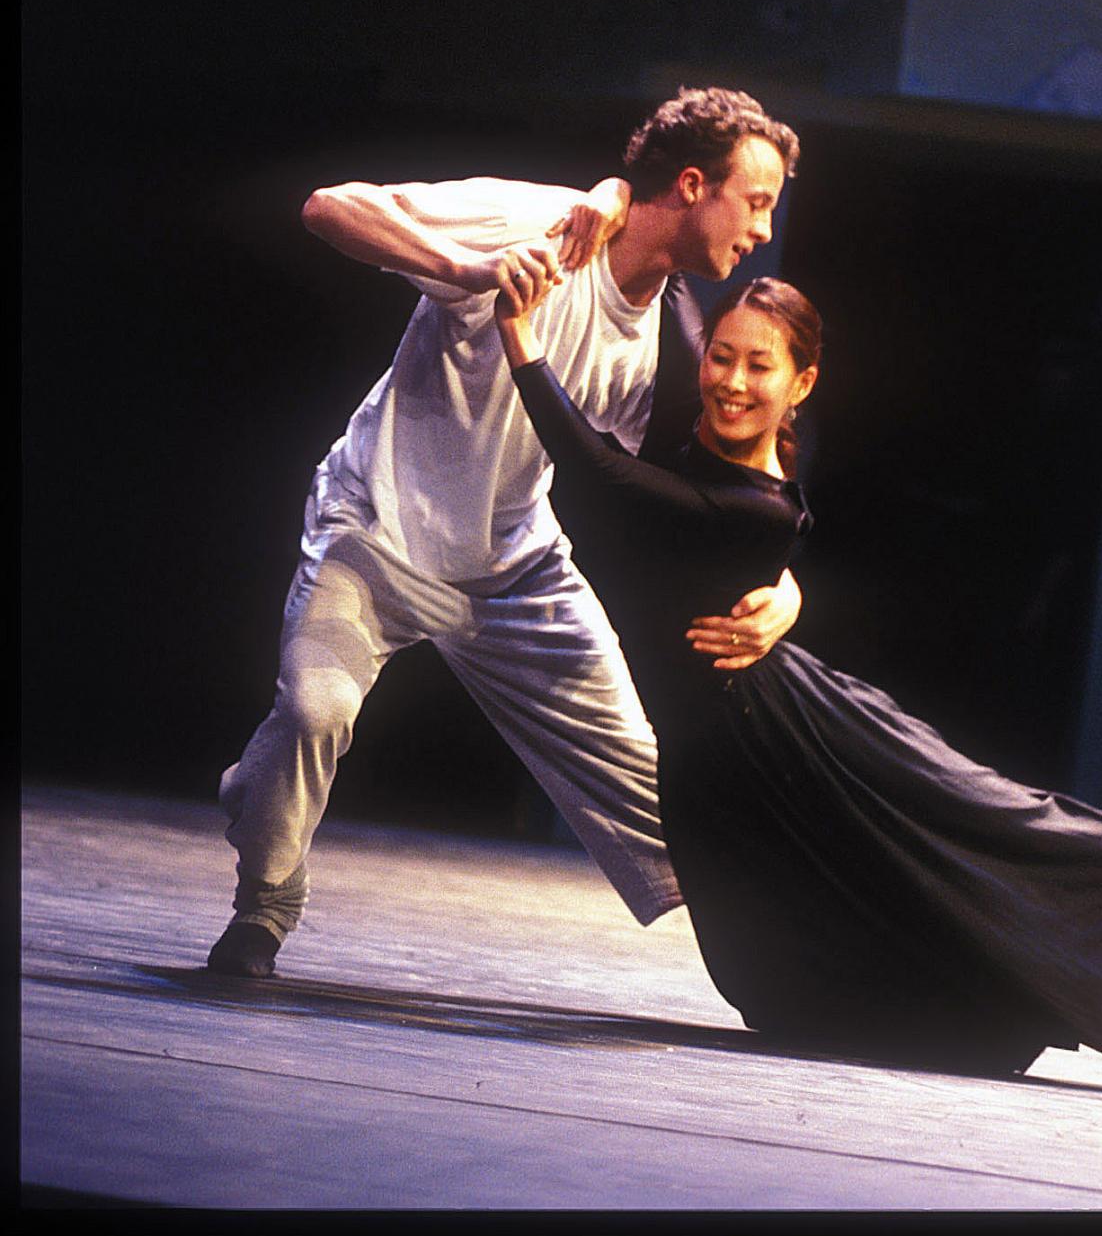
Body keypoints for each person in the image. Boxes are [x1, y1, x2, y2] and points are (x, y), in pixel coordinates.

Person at [494, 270, 1102, 1120]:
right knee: (887, 947)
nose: (731, 381)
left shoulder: (755, 505)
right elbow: (678, 299)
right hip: (725, 780)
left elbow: (600, 475)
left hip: (797, 736)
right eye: (722, 358)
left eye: (760, 366)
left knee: (1012, 836)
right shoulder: (728, 452)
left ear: (802, 382)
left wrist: (521, 335)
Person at [207, 86, 804, 978]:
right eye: (755, 201)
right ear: (691, 185)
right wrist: (468, 265)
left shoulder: (675, 342)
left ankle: (819, 945)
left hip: (515, 570)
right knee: (312, 712)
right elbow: (331, 206)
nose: (762, 228)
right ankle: (265, 903)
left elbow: (724, 501)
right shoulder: (538, 223)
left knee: (662, 804)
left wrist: (783, 589)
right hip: (376, 531)